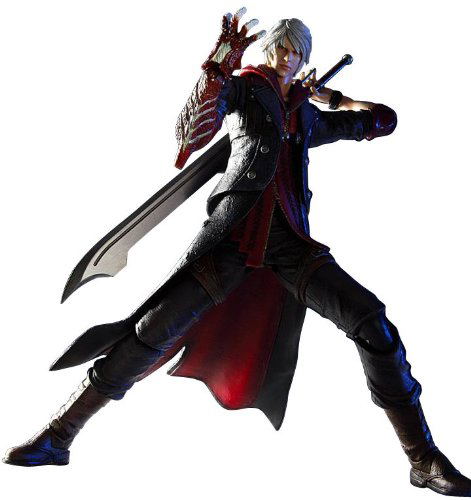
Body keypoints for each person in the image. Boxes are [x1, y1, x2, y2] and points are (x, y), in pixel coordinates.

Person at [4, 8, 470, 497]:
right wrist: (219, 63)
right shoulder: (248, 89)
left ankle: (423, 460)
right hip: (231, 241)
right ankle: (58, 436)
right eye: (283, 48)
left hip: (291, 246)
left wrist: (333, 98)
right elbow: (192, 134)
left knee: (373, 323)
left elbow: (382, 121)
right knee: (149, 334)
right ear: (271, 50)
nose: (289, 58)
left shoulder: (305, 115)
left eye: (298, 52)